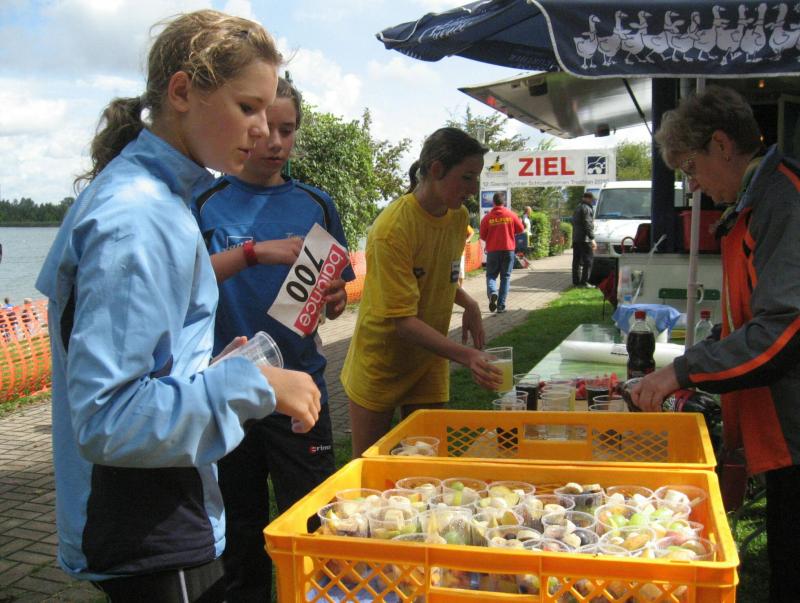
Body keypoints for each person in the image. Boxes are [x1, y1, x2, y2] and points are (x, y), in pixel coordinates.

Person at [34, 11, 321, 602]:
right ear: (183, 92)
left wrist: (208, 372)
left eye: (269, 112)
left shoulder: (155, 196)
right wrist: (254, 384)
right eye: (248, 107)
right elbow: (108, 416)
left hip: (154, 509)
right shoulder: (137, 215)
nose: (263, 130)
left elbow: (142, 366)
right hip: (149, 526)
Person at [628, 86, 800, 603]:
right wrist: (696, 364)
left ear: (722, 145)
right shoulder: (758, 200)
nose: (693, 184)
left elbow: (783, 329)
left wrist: (681, 371)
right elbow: (750, 315)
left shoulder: (783, 200)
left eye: (691, 167)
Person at [192, 76, 354, 601]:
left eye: (288, 129)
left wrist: (336, 297)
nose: (276, 142)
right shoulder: (205, 201)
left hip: (300, 390)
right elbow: (181, 281)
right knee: (240, 528)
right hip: (228, 389)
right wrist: (251, 253)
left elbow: (337, 285)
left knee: (311, 520)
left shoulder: (316, 203)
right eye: (265, 128)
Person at [341, 127, 502, 458]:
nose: (474, 189)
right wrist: (467, 356)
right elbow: (402, 321)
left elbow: (440, 275)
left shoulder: (457, 218)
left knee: (425, 463)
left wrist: (469, 302)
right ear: (437, 170)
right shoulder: (391, 230)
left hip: (429, 359)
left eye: (477, 178)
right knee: (370, 464)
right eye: (467, 177)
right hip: (381, 361)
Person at [479, 191, 524, 313]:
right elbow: (521, 229)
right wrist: (510, 231)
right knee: (505, 277)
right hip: (508, 250)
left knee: (491, 275)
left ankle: (493, 292)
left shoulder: (487, 217)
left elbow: (482, 235)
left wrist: (491, 238)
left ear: (493, 202)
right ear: (503, 202)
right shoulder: (511, 215)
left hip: (493, 251)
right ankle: (500, 306)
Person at [572, 191, 596, 287]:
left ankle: (576, 281)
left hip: (576, 238)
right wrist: (592, 238)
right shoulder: (586, 208)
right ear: (589, 198)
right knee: (588, 260)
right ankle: (585, 282)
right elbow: (587, 223)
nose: (592, 202)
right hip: (584, 239)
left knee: (576, 260)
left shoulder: (578, 207)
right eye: (592, 200)